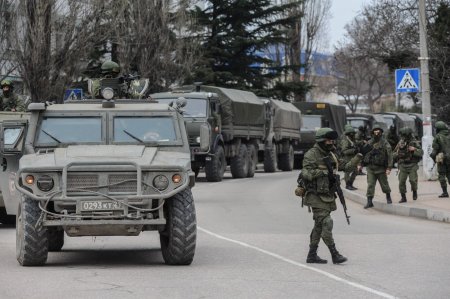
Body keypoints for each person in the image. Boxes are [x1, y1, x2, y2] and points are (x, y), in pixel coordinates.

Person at [300, 127, 350, 264]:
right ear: (321, 141)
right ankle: (335, 254)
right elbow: (306, 173)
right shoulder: (312, 154)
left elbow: (344, 165)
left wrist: (358, 159)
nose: (331, 143)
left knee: (319, 226)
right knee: (327, 222)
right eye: (328, 140)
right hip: (315, 196)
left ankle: (311, 255)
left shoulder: (332, 154)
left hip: (328, 195)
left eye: (332, 140)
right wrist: (323, 172)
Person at [363, 123, 393, 208]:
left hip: (381, 169)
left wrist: (389, 167)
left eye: (378, 130)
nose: (376, 132)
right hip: (370, 168)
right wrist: (360, 164)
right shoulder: (369, 142)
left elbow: (390, 154)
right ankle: (369, 201)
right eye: (375, 130)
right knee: (370, 185)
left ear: (381, 132)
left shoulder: (384, 142)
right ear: (372, 132)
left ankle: (388, 197)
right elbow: (363, 153)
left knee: (384, 184)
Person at [393, 127, 423, 202]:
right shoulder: (400, 142)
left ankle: (414, 191)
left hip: (412, 164)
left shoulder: (414, 142)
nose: (403, 137)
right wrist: (397, 154)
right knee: (401, 181)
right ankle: (403, 197)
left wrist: (414, 149)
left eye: (404, 135)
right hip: (403, 165)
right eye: (402, 135)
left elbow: (421, 152)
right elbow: (393, 154)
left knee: (413, 180)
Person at [430, 121, 450, 198]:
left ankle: (445, 192)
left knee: (442, 175)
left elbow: (435, 150)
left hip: (442, 159)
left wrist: (433, 158)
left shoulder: (437, 137)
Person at [339, 126, 359, 190]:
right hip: (346, 159)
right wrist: (353, 150)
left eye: (353, 133)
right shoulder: (345, 141)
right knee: (347, 172)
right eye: (351, 134)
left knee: (356, 171)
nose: (353, 135)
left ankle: (350, 184)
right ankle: (348, 185)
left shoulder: (352, 140)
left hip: (353, 158)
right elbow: (344, 151)